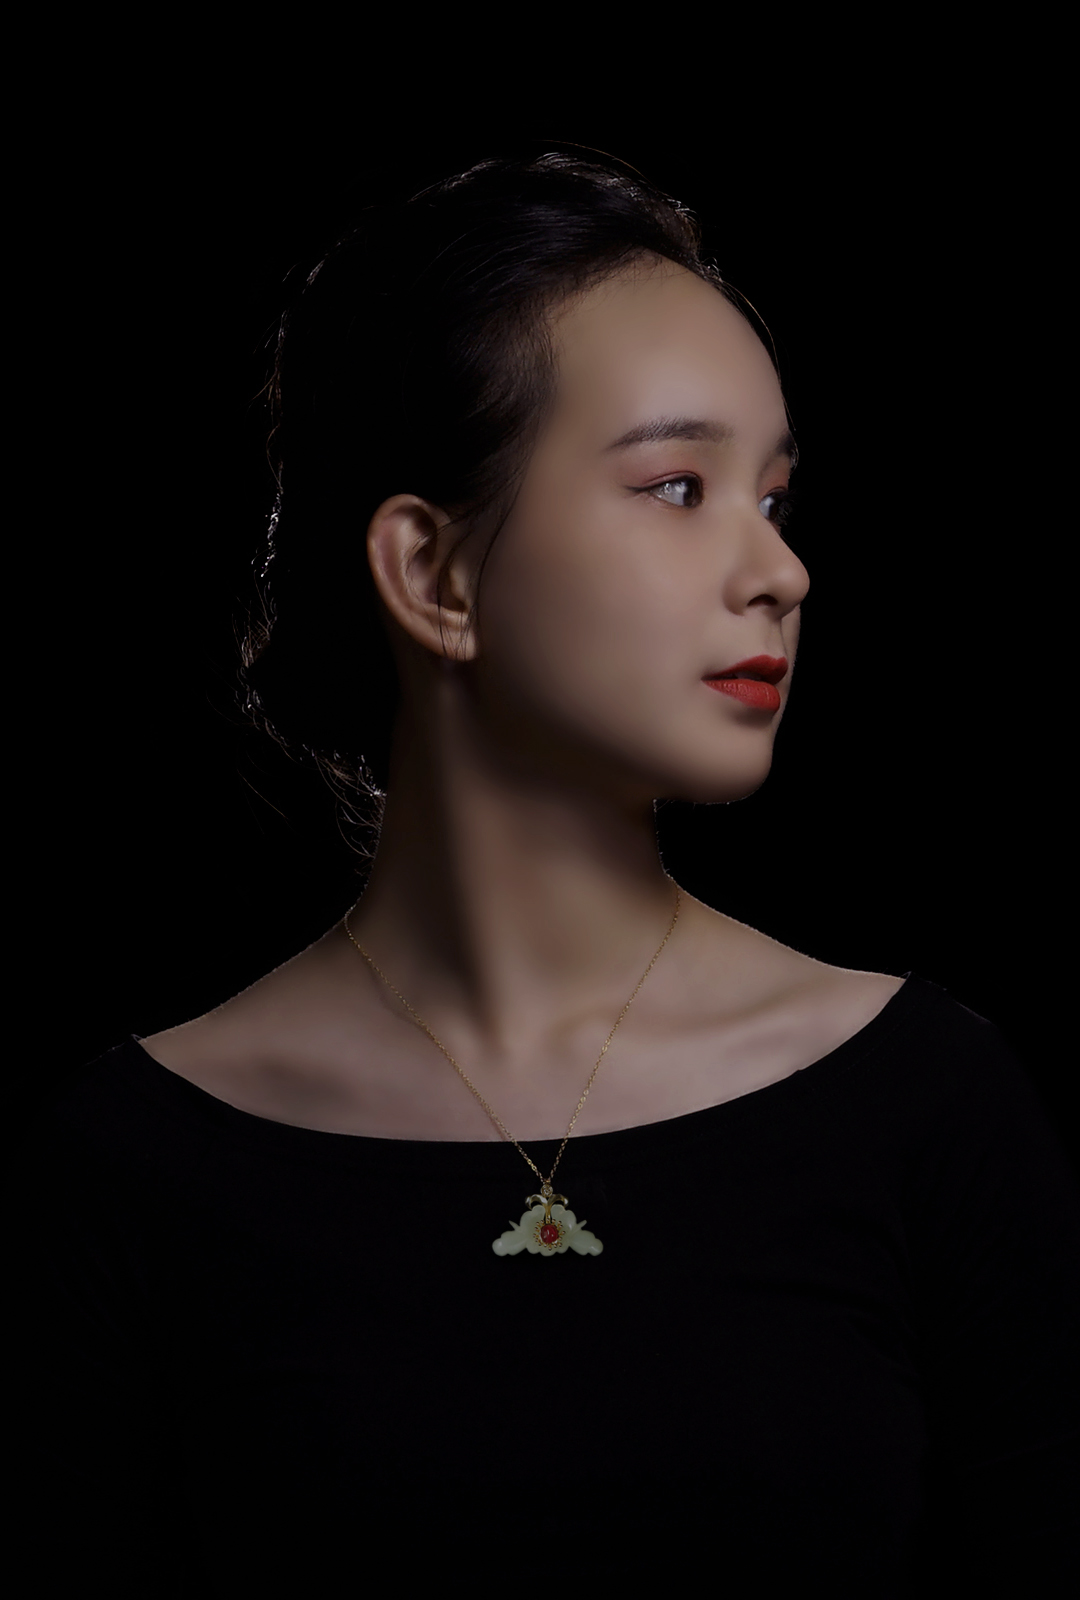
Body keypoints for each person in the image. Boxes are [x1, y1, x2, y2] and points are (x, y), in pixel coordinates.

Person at [11, 148, 1078, 1596]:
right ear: (434, 574)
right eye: (680, 487)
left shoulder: (929, 1105)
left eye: (775, 499)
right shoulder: (133, 1167)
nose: (780, 573)